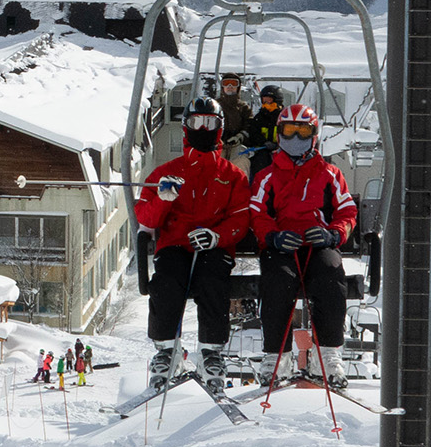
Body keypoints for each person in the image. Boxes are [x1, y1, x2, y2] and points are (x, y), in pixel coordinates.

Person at [134, 95, 252, 393]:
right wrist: (162, 199)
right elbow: (145, 219)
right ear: (186, 127)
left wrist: (217, 236)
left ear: (219, 128)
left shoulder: (231, 176)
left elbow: (240, 218)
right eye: (196, 122)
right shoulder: (166, 173)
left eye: (209, 123)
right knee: (167, 281)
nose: (203, 128)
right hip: (175, 245)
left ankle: (210, 352)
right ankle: (166, 350)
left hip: (214, 248)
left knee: (213, 281)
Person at [250, 103, 359, 390]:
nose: (295, 139)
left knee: (330, 276)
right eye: (289, 131)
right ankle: (277, 357)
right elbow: (257, 214)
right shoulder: (268, 176)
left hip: (316, 243)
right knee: (277, 282)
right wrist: (272, 236)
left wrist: (333, 234)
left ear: (314, 135)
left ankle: (326, 355)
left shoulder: (329, 173)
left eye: (303, 131)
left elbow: (346, 211)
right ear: (279, 133)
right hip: (283, 245)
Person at [242, 85, 285, 178]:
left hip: (282, 150)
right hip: (262, 151)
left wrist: (278, 145)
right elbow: (254, 134)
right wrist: (264, 143)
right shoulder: (260, 117)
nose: (266, 103)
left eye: (269, 100)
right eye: (264, 100)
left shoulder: (284, 118)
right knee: (260, 161)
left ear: (277, 100)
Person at [216, 73, 253, 150]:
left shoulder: (243, 107)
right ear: (223, 87)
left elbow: (249, 125)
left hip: (237, 145)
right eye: (226, 83)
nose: (230, 86)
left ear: (238, 87)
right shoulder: (215, 105)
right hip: (217, 144)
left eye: (233, 83)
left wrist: (240, 136)